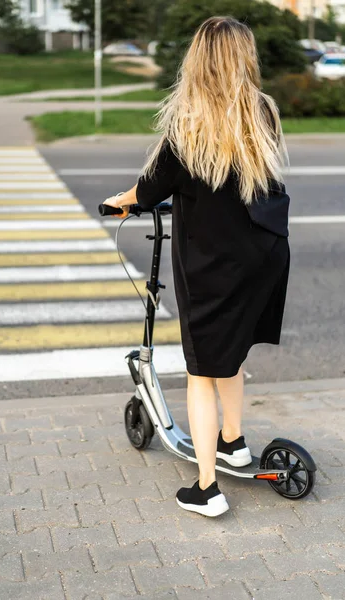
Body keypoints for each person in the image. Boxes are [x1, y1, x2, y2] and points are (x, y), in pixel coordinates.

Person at [103, 15, 291, 518]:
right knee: (231, 353)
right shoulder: (262, 114)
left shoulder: (187, 125)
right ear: (243, 59)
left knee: (201, 372)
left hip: (215, 266)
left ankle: (207, 489)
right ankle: (233, 442)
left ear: (197, 61)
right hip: (266, 253)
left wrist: (121, 202)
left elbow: (151, 188)